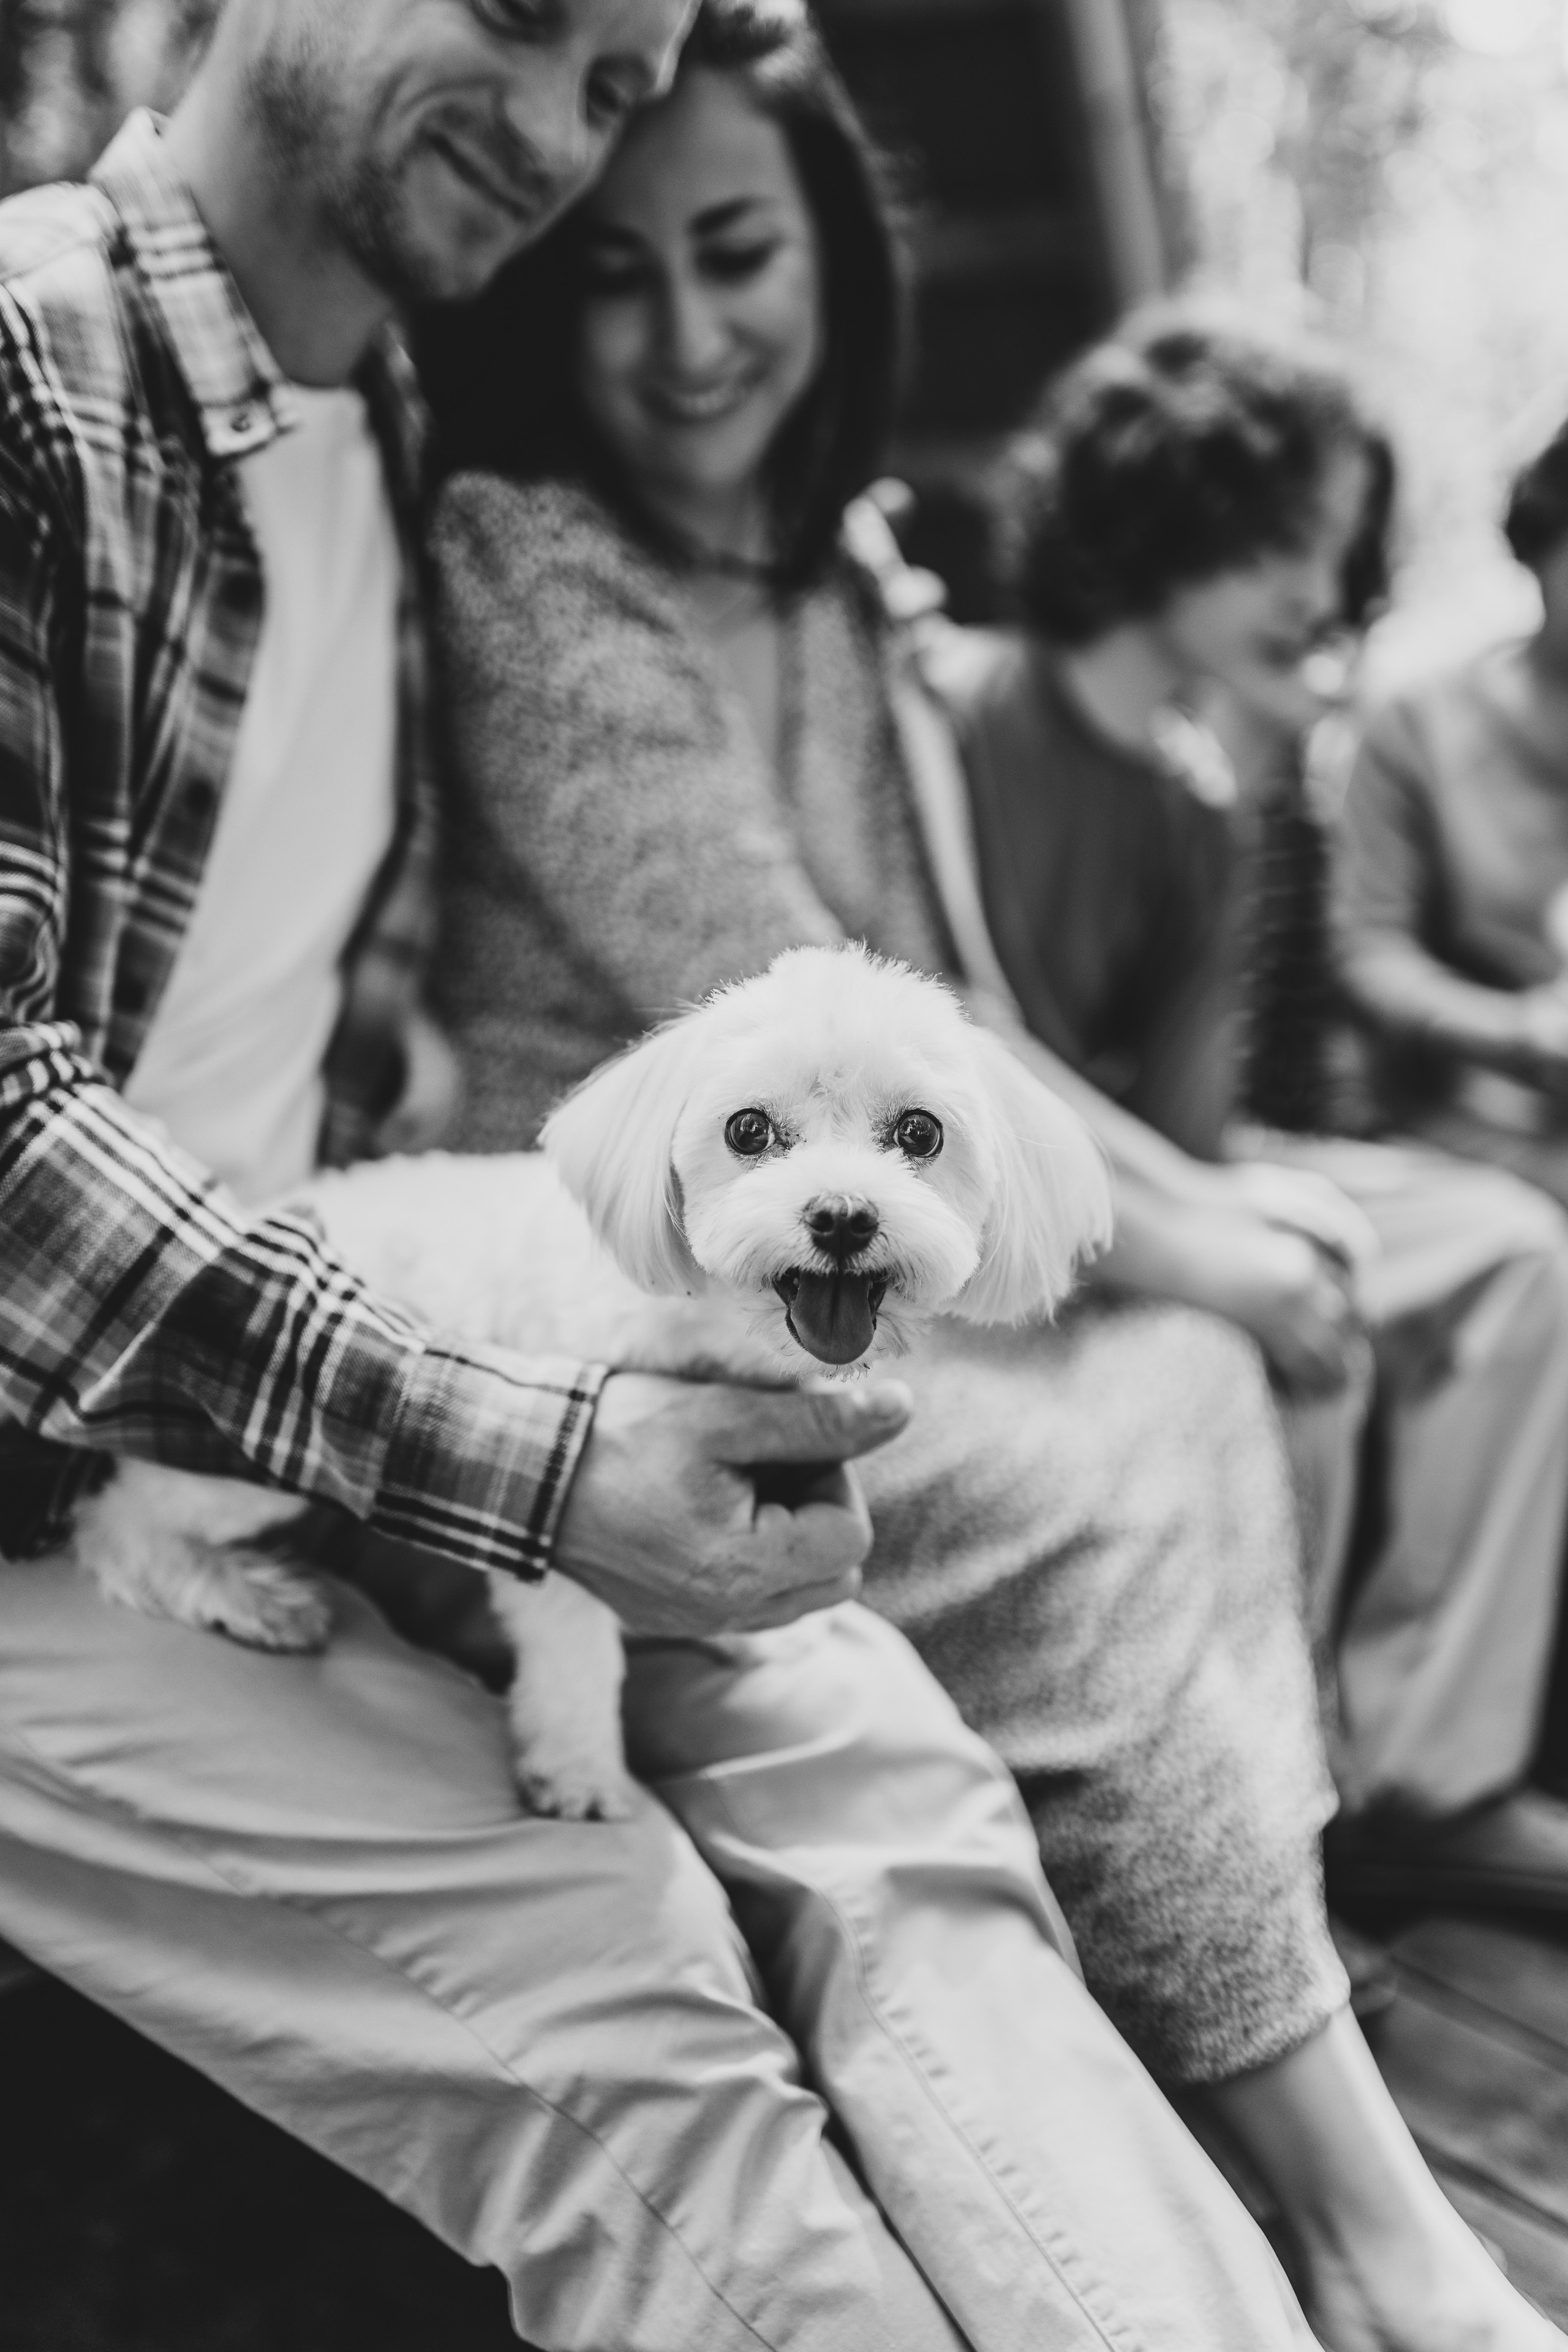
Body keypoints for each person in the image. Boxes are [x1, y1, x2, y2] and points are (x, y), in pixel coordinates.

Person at [0, 2, 1330, 2346]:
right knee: (635, 1990)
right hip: (59, 1475)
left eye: (614, 84)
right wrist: (523, 1460)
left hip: (361, 1375)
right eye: (521, 18)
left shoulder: (375, 434)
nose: (552, 132)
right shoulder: (36, 379)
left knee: (914, 1814)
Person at [417, 14, 1561, 2346]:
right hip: (638, 1280)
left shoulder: (835, 586)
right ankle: (1370, 2232)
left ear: (830, 251)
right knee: (1108, 1467)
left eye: (738, 252)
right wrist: (1211, 1233)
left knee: (1212, 1385)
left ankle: (1262, 1998)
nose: (689, 334)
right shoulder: (528, 566)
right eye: (613, 276)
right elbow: (782, 990)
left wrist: (1216, 1238)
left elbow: (966, 1025)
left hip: (855, 1249)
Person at [938, 311, 1568, 1902]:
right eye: (1293, 538)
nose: (1317, 586)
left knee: (1510, 1253)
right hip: (1005, 1198)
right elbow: (967, 1044)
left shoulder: (1201, 793)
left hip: (1164, 1164)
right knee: (1297, 1308)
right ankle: (1261, 1817)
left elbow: (1198, 1119)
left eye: (1335, 550)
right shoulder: (956, 713)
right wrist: (1223, 1225)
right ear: (1178, 504)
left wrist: (1233, 1200)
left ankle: (1421, 1772)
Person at [1336, 413, 1568, 1211]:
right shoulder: (1420, 727)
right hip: (1477, 1127)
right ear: (1540, 547)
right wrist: (1517, 1031)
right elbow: (1370, 955)